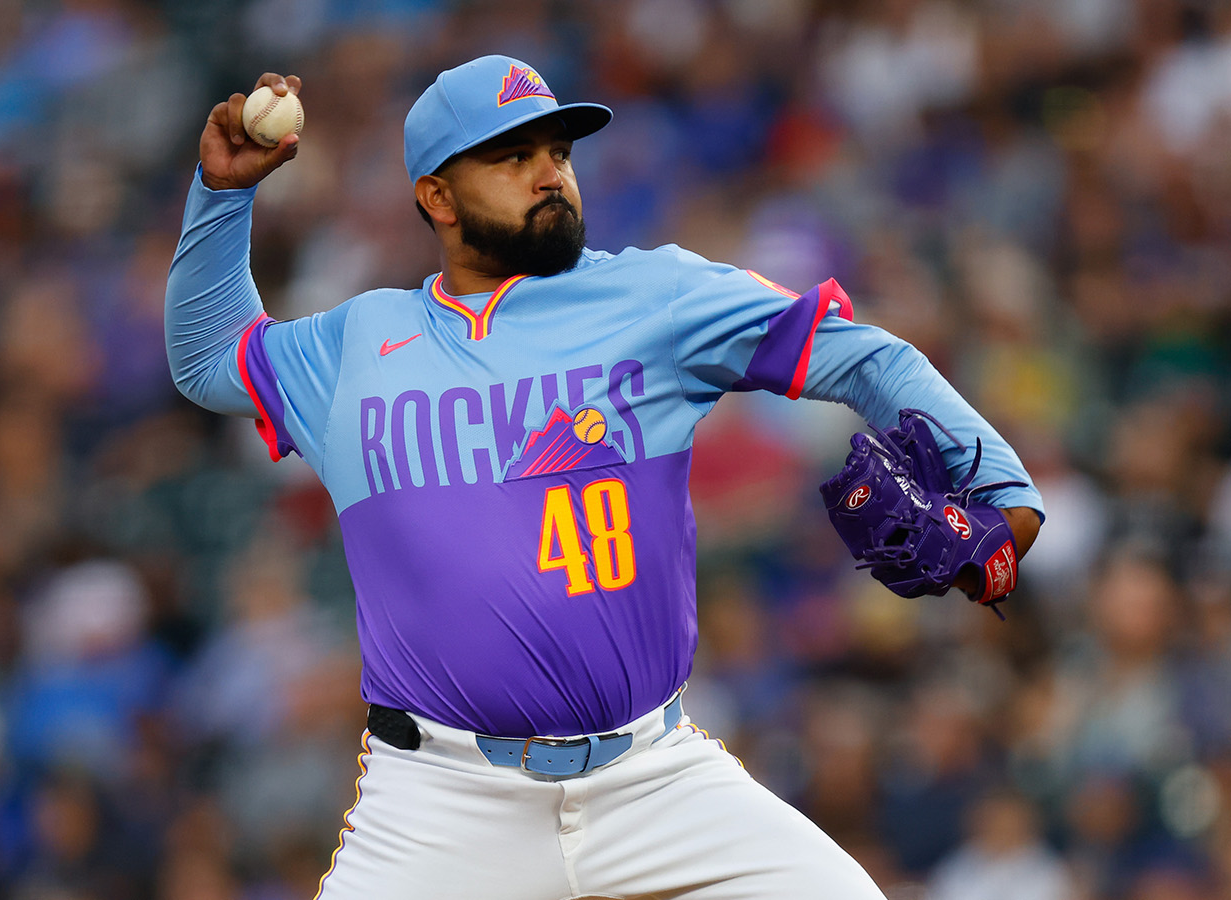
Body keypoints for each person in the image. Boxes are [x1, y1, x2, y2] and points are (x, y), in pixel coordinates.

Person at [165, 55, 1043, 900]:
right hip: (441, 800)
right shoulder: (355, 344)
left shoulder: (657, 297)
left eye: (558, 152)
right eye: (512, 157)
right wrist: (224, 194)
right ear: (435, 196)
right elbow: (207, 358)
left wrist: (1005, 496)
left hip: (652, 778)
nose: (549, 174)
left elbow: (861, 358)